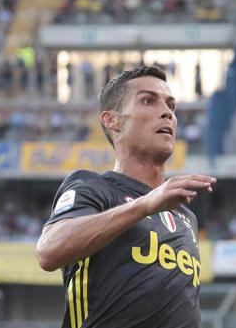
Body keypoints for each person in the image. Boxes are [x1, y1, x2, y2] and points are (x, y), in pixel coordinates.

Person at [36, 65, 216, 328]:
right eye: (148, 101)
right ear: (112, 120)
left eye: (171, 106)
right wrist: (146, 204)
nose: (167, 112)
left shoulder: (185, 216)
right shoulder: (92, 186)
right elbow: (48, 251)